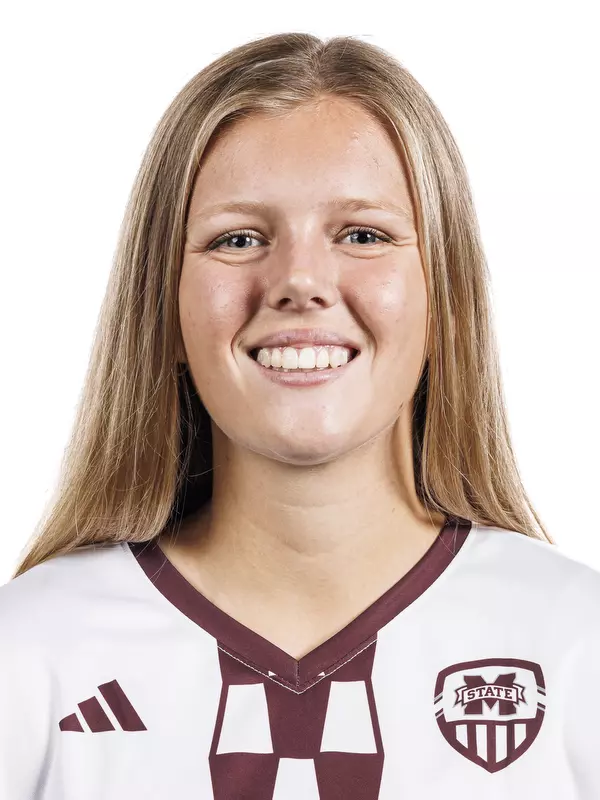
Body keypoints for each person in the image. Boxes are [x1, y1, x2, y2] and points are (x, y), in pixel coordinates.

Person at [0, 31, 598, 800]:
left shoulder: (577, 647)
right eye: (239, 238)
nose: (300, 281)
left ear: (443, 301)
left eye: (362, 234)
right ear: (164, 310)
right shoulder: (31, 655)